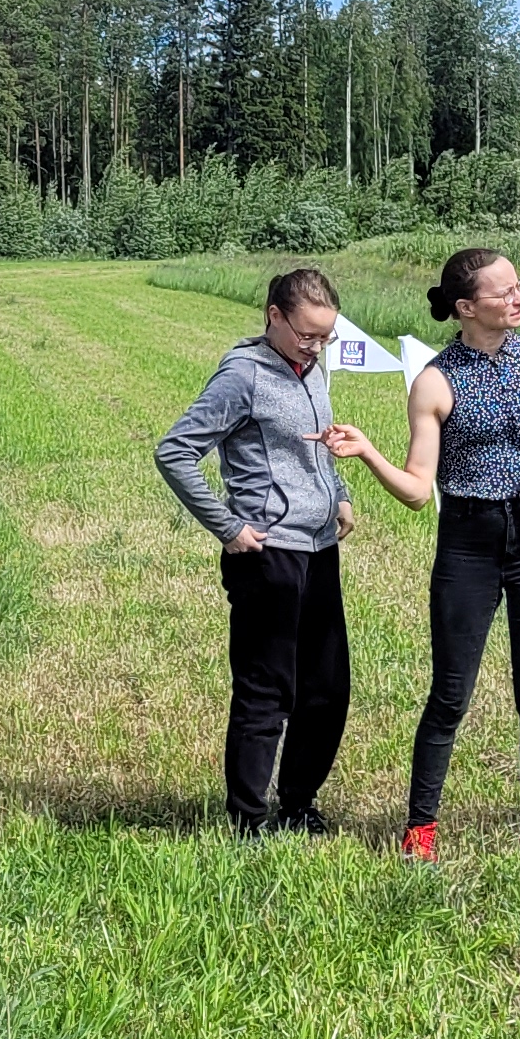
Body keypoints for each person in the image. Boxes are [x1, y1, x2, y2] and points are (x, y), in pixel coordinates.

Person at [324, 248, 520, 862]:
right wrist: (368, 452)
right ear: (466, 307)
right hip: (468, 545)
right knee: (451, 694)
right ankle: (420, 827)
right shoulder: (435, 381)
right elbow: (418, 491)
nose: (519, 298)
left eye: (519, 286)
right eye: (505, 292)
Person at [154, 266, 360, 836]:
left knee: (326, 690)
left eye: (326, 337)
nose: (317, 347)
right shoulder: (242, 375)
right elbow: (174, 452)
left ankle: (298, 806)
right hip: (268, 556)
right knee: (267, 692)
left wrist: (339, 493)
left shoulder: (311, 369)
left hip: (319, 550)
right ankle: (248, 820)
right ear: (274, 316)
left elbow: (313, 448)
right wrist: (228, 527)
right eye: (307, 335)